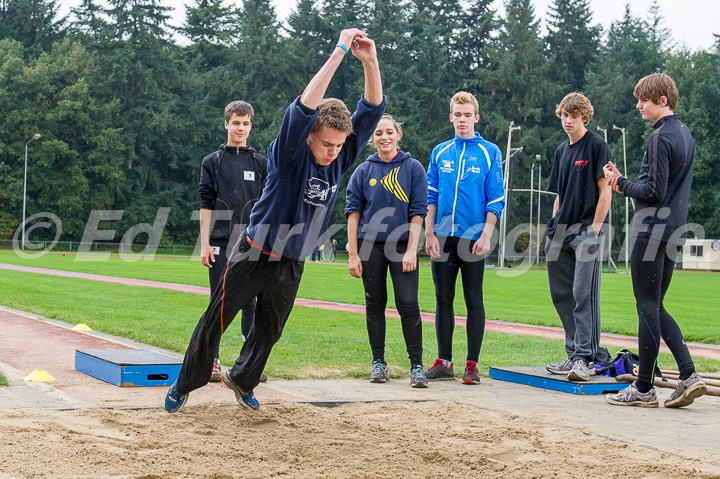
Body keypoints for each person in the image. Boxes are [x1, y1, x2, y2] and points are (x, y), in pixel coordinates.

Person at [164, 28, 386, 413]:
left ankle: (243, 379)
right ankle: (185, 384)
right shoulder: (288, 154)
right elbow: (303, 107)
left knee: (269, 331)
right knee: (216, 320)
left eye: (339, 145)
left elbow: (372, 107)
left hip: (293, 259)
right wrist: (338, 52)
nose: (334, 152)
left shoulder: (342, 154)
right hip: (254, 252)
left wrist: (370, 60)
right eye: (326, 144)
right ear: (309, 136)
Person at [604, 73, 707, 408]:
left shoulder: (661, 137)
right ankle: (646, 385)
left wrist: (620, 183)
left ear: (663, 101)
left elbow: (652, 191)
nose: (638, 106)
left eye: (643, 100)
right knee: (653, 306)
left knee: (648, 306)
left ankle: (684, 374)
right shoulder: (685, 134)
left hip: (652, 229)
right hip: (675, 230)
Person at [424, 91, 505, 385]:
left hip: (474, 238)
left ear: (476, 118)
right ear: (451, 117)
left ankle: (472, 364)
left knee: (473, 300)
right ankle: (444, 361)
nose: (462, 120)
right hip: (443, 236)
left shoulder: (489, 152)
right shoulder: (440, 152)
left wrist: (487, 234)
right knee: (443, 299)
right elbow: (431, 194)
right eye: (457, 115)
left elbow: (496, 198)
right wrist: (429, 231)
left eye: (467, 115)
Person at [345, 114, 428, 388]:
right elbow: (353, 214)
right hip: (370, 247)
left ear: (398, 135)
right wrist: (354, 254)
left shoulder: (414, 168)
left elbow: (418, 212)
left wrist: (412, 250)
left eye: (389, 132)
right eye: (378, 133)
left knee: (407, 303)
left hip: (403, 246)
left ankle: (417, 365)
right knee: (374, 303)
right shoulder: (363, 171)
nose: (384, 137)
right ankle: (378, 363)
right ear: (372, 138)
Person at [197, 100, 268, 383]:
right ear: (226, 124)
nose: (241, 128)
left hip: (251, 242)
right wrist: (204, 243)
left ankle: (247, 365)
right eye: (236, 123)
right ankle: (212, 362)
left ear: (251, 125)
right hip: (219, 241)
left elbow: (267, 203)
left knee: (251, 302)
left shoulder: (261, 163)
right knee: (219, 302)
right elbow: (205, 204)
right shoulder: (212, 161)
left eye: (246, 123)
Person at [544, 93, 611, 381]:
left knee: (583, 294)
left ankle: (585, 357)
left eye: (573, 115)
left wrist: (595, 228)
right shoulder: (561, 151)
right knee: (561, 294)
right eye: (564, 116)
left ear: (585, 115)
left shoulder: (596, 145)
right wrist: (553, 223)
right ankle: (572, 354)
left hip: (586, 230)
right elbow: (559, 194)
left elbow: (605, 189)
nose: (567, 121)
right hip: (561, 231)